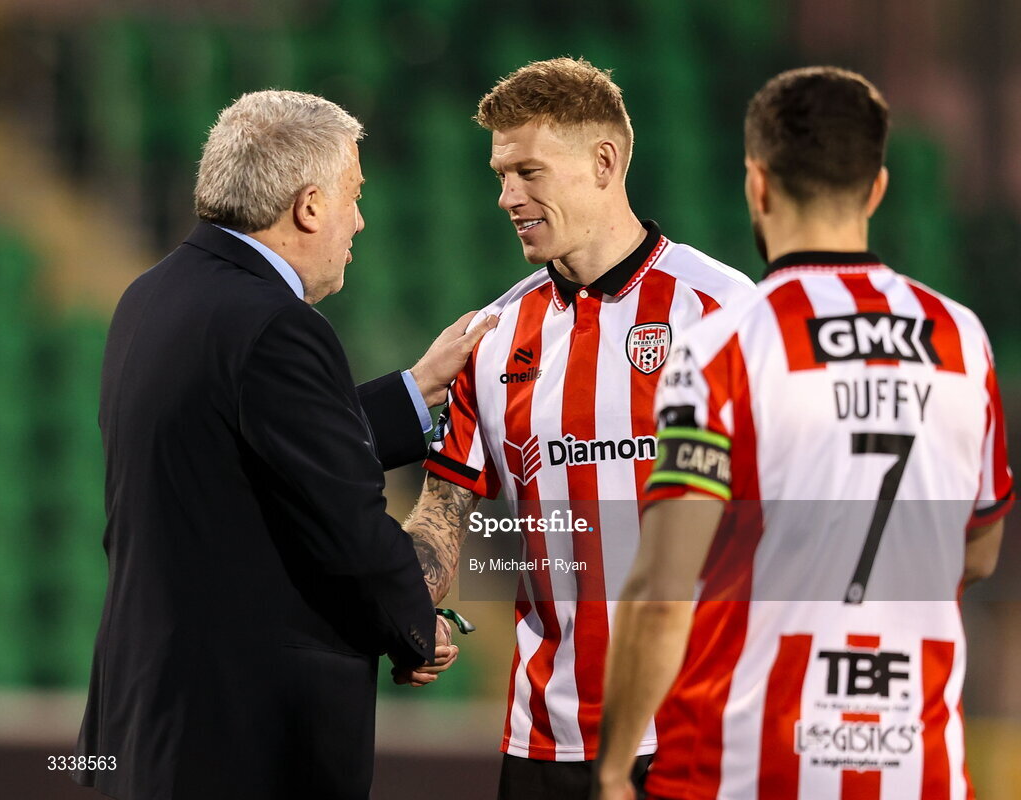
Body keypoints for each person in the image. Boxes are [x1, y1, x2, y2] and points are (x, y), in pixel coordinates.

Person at [594, 66, 1015, 800]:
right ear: (878, 188)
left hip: (743, 763)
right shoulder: (962, 337)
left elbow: (663, 590)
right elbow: (979, 550)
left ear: (758, 183)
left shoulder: (725, 345)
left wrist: (611, 772)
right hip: (918, 764)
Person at [71, 89, 495, 800]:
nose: (359, 221)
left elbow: (251, 450)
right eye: (353, 196)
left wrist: (416, 388)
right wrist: (413, 623)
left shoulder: (152, 295)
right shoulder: (278, 326)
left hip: (150, 722)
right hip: (241, 743)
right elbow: (349, 533)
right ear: (308, 206)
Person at [403, 58, 754, 800]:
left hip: (705, 729)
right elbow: (443, 512)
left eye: (528, 172)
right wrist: (411, 601)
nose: (507, 197)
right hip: (545, 740)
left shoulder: (727, 313)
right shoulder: (491, 336)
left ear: (604, 162)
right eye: (499, 175)